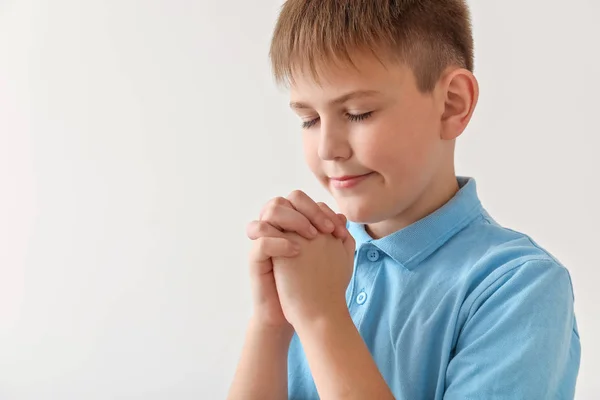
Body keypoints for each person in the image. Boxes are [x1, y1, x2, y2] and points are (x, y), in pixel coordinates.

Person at [227, 0, 581, 398]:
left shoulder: (519, 287)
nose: (328, 148)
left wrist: (323, 319)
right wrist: (269, 324)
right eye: (309, 119)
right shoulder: (311, 265)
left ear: (452, 104)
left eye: (359, 113)